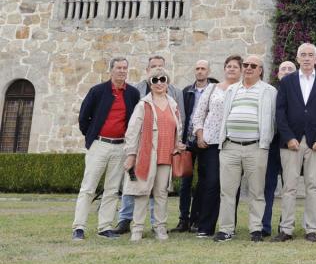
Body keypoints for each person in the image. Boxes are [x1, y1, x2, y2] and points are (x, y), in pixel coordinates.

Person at [72, 56, 141, 241]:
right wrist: (92, 138)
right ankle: (79, 227)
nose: (122, 71)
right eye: (118, 68)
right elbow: (83, 118)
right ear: (111, 70)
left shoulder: (133, 94)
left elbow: (134, 122)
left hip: (120, 147)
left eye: (125, 68)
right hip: (99, 144)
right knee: (88, 188)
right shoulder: (97, 91)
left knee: (112, 189)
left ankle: (104, 226)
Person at [211, 55, 278, 242]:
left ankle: (256, 229)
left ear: (260, 70)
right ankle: (226, 229)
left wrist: (266, 140)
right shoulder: (232, 89)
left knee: (257, 191)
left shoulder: (270, 91)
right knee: (227, 191)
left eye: (252, 65)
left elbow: (274, 119)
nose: (248, 68)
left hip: (256, 147)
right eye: (246, 65)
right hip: (230, 147)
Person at [116, 55, 183, 233]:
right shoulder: (143, 104)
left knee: (161, 194)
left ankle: (160, 227)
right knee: (142, 192)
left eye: (163, 79)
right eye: (155, 80)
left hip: (166, 156)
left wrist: (179, 144)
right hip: (147, 155)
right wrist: (131, 155)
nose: (159, 83)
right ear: (150, 83)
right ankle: (137, 228)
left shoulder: (173, 104)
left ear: (167, 82)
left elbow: (178, 128)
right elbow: (132, 131)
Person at [275, 42, 316, 242]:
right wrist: (289, 137)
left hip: (315, 143)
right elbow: (280, 113)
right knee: (289, 187)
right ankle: (286, 229)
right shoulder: (287, 81)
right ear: (298, 58)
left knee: (313, 187)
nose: (307, 58)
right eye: (303, 55)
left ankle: (311, 229)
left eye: (311, 55)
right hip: (291, 142)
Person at [191, 56, 240, 238]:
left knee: (231, 186)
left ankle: (228, 227)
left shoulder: (243, 90)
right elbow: (198, 115)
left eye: (235, 66)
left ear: (241, 70)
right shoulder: (212, 89)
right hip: (211, 143)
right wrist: (200, 134)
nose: (231, 69)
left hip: (233, 143)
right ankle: (205, 226)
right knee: (211, 183)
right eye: (229, 66)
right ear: (224, 68)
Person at [175, 60, 217, 233]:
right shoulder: (187, 91)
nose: (200, 72)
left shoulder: (215, 90)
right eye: (197, 68)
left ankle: (197, 218)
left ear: (208, 71)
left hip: (207, 141)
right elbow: (181, 116)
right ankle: (183, 219)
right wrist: (180, 140)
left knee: (204, 181)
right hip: (188, 142)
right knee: (185, 181)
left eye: (203, 69)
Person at [261, 60, 294, 237]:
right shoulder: (269, 91)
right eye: (283, 69)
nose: (287, 71)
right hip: (272, 143)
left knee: (289, 185)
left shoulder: (299, 91)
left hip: (291, 144)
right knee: (268, 184)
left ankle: (285, 225)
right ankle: (264, 225)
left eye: (290, 69)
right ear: (278, 73)